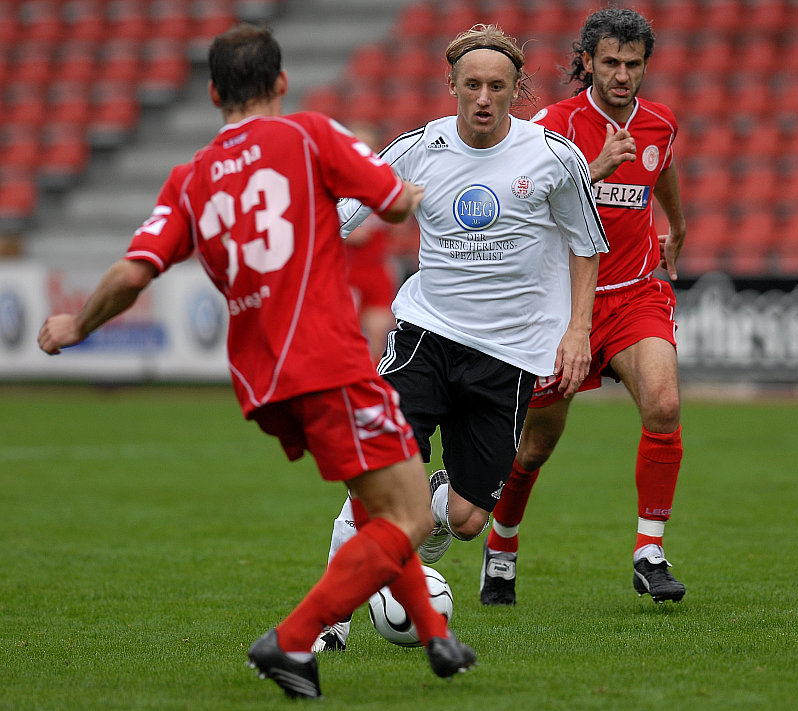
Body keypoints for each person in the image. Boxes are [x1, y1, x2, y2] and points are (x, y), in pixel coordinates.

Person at [36, 23, 477, 700]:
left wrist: (76, 324)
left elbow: (132, 272)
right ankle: (292, 640)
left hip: (265, 382)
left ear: (214, 93)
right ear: (281, 82)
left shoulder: (190, 178)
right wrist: (412, 196)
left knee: (378, 499)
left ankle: (435, 638)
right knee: (413, 515)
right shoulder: (309, 135)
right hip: (330, 361)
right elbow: (390, 203)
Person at [312, 23, 608, 652]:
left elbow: (587, 244)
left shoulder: (553, 158)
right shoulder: (418, 149)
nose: (483, 97)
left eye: (497, 86)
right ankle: (330, 622)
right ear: (451, 84)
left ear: (516, 89)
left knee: (469, 519)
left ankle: (435, 501)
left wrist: (578, 330)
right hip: (427, 336)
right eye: (471, 84)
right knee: (379, 467)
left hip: (509, 355)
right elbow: (340, 220)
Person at [479, 7, 688, 607]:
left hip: (634, 294)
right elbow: (527, 207)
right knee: (535, 447)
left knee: (664, 405)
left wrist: (677, 226)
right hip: (564, 304)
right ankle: (502, 544)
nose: (622, 75)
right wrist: (595, 169)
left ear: (645, 65)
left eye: (633, 64)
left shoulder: (659, 124)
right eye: (611, 62)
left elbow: (661, 168)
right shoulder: (554, 125)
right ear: (588, 62)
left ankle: (649, 552)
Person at [343, 123, 402, 364]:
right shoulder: (338, 185)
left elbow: (398, 224)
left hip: (376, 271)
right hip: (346, 273)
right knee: (345, 340)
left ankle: (376, 383)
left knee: (379, 338)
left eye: (367, 147)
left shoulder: (386, 183)